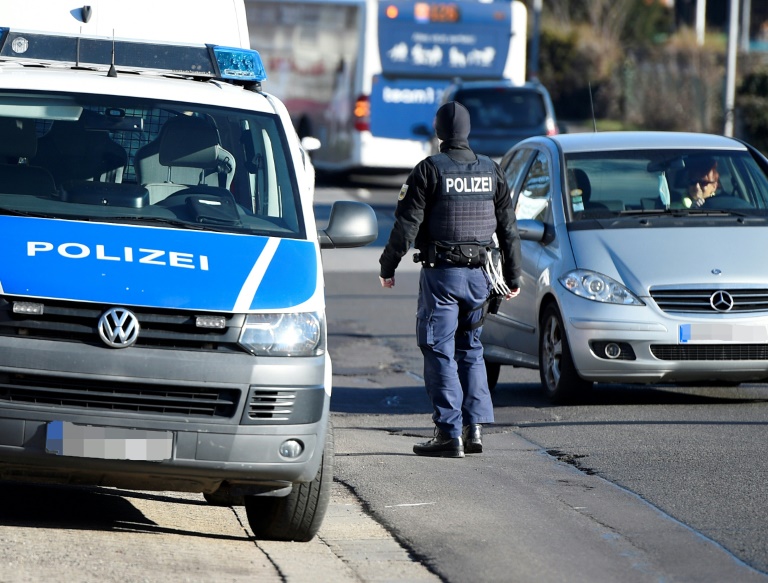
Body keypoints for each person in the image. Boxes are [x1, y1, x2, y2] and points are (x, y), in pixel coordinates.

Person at [378, 101, 522, 458]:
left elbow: (406, 225)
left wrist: (388, 266)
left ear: (439, 131)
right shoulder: (492, 169)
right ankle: (475, 429)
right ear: (468, 130)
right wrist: (514, 276)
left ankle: (448, 433)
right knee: (471, 350)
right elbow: (508, 228)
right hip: (482, 279)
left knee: (439, 349)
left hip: (442, 277)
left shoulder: (429, 170)